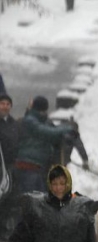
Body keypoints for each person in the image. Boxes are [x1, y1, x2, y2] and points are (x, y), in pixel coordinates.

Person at [7, 96, 74, 233]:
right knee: (30, 203)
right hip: (27, 167)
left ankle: (35, 234)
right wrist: (66, 129)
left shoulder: (40, 121)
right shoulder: (30, 121)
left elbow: (52, 133)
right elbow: (47, 133)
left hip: (38, 169)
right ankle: (24, 234)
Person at [0, 92, 19, 240]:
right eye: (2, 104)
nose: (5, 107)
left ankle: (3, 229)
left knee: (8, 198)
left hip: (10, 166)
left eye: (7, 104)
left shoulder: (14, 124)